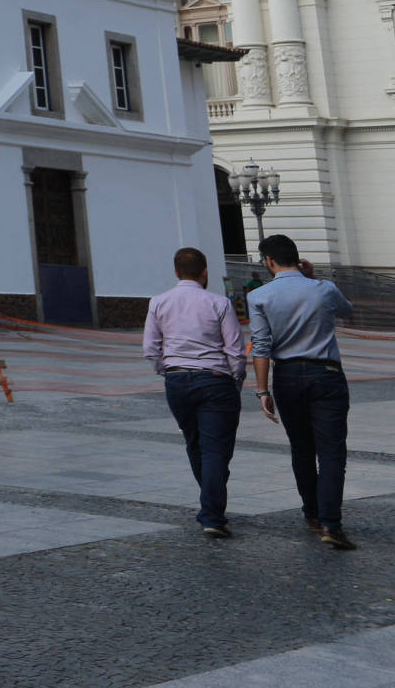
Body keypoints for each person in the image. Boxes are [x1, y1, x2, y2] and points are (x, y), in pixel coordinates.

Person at [248, 233, 358, 550]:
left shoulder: (260, 297)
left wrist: (261, 390)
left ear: (269, 261)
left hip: (287, 377)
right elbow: (346, 310)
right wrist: (313, 278)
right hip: (327, 375)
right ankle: (331, 525)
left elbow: (262, 345)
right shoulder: (324, 288)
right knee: (332, 451)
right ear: (298, 259)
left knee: (302, 448)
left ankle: (312, 515)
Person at [142, 245, 247, 538]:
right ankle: (212, 513)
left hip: (177, 381)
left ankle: (211, 504)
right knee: (215, 450)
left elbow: (150, 348)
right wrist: (235, 380)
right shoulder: (219, 303)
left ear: (176, 272)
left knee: (194, 444)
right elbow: (235, 350)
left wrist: (169, 371)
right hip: (214, 379)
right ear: (205, 273)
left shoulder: (158, 302)